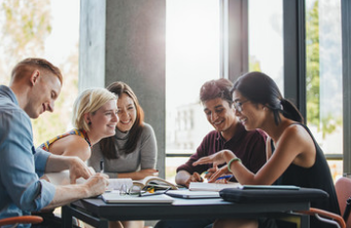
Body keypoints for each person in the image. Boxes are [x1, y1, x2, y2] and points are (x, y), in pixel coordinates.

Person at [194, 72, 340, 228]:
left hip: (313, 221)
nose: (236, 112)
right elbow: (265, 190)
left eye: (239, 104)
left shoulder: (293, 134)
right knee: (224, 224)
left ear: (263, 103)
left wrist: (228, 157)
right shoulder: (271, 140)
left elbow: (256, 185)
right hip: (288, 217)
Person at [0, 58, 109, 228]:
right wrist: (87, 189)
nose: (51, 107)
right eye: (52, 95)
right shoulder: (13, 117)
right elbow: (30, 196)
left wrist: (69, 161)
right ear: (35, 77)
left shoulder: (4, 110)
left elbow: (24, 155)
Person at [155, 78, 267, 228]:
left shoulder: (255, 137)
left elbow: (260, 188)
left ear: (234, 106)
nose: (214, 118)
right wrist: (189, 180)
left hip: (242, 213)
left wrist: (228, 184)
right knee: (165, 225)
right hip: (213, 210)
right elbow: (181, 172)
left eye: (219, 110)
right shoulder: (211, 139)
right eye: (208, 112)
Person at [89, 81, 158, 228]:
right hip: (102, 197)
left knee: (129, 225)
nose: (126, 115)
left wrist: (138, 176)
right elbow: (95, 177)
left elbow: (148, 177)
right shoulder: (99, 132)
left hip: (131, 196)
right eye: (118, 110)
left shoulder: (145, 132)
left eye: (130, 108)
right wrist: (135, 175)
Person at [38, 87, 119, 162]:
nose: (116, 119)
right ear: (87, 118)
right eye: (108, 113)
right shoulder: (80, 146)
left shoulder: (79, 138)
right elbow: (55, 177)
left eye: (116, 112)